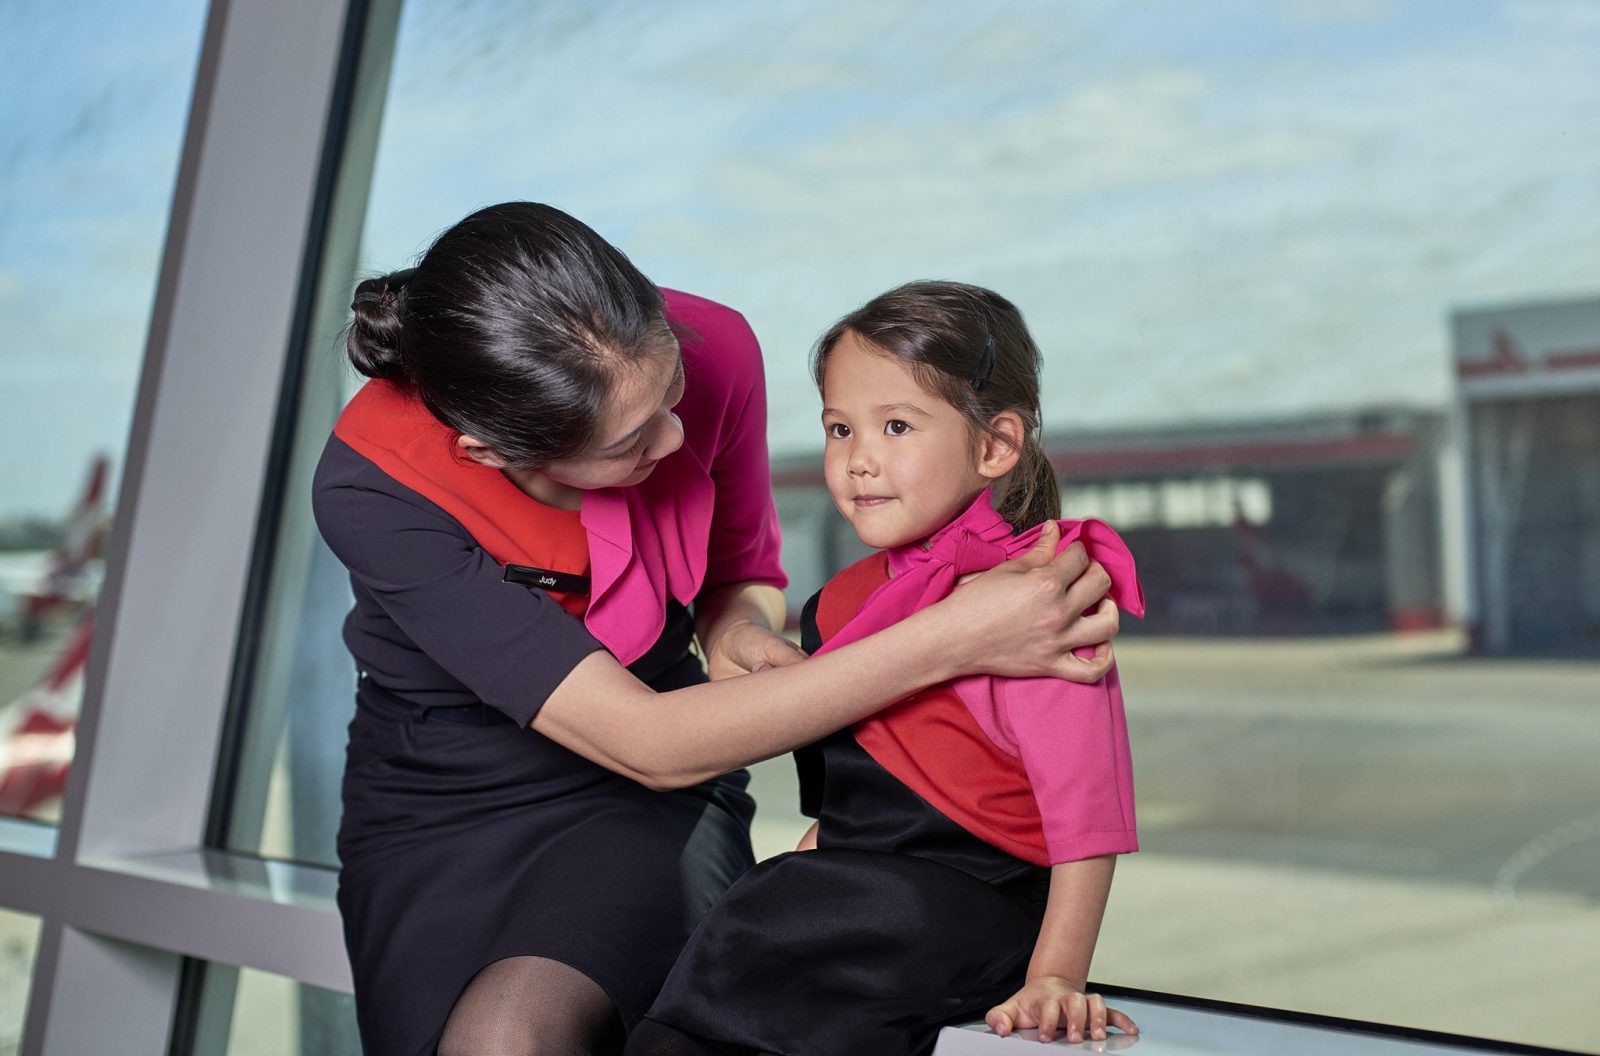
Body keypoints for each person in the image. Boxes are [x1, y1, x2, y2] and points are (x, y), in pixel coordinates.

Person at [314, 204, 1121, 1056]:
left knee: (510, 1038)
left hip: (647, 795)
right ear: (491, 453)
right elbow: (646, 739)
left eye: (672, 396)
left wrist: (735, 634)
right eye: (632, 440)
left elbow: (740, 577)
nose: (675, 435)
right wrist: (955, 637)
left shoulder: (715, 347)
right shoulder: (374, 487)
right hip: (446, 789)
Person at [629, 281, 1145, 1056]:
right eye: (840, 429)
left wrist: (1057, 976)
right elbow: (860, 796)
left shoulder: (1035, 599)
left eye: (896, 426)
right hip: (865, 886)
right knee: (753, 913)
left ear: (994, 446)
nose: (858, 461)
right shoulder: (842, 601)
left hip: (970, 900)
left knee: (821, 931)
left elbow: (1087, 818)